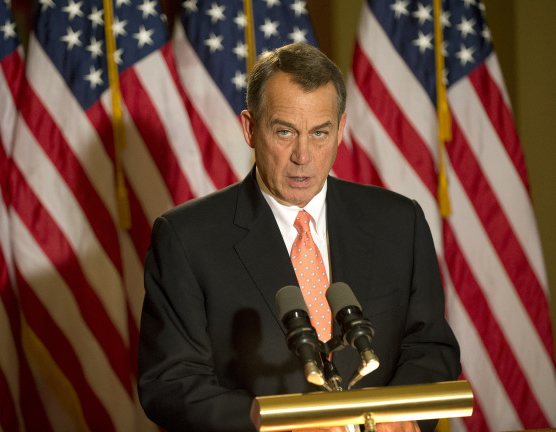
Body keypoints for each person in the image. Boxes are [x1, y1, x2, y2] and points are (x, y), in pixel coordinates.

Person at [137, 43, 461, 432]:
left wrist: (404, 414)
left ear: (341, 129)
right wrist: (275, 424)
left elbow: (430, 348)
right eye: (285, 132)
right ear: (251, 128)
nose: (303, 155)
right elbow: (170, 383)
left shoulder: (399, 222)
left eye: (320, 132)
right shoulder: (187, 238)